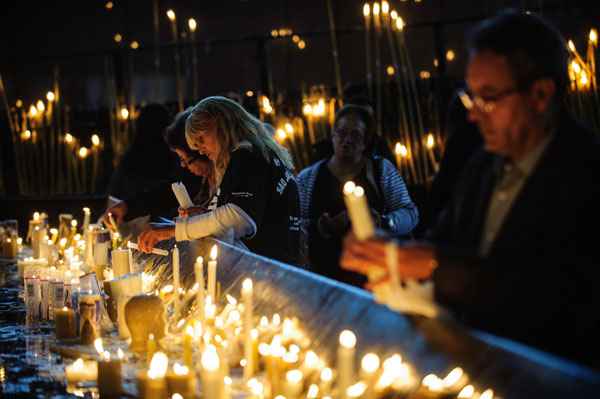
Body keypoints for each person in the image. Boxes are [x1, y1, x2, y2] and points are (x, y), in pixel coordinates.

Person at [341, 10, 600, 368]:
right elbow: (445, 242)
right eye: (470, 98)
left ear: (541, 94)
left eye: (489, 98)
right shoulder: (482, 166)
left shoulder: (585, 171)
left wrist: (427, 264)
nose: (474, 115)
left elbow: (548, 292)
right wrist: (390, 256)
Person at [137, 96, 301, 265]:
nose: (200, 150)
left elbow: (238, 217)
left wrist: (173, 230)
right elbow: (240, 216)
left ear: (222, 125)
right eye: (196, 145)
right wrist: (205, 216)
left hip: (269, 269)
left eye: (201, 138)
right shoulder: (251, 155)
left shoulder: (247, 155)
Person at [298, 104, 418, 286]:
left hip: (376, 278)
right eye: (341, 133)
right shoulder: (308, 178)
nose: (347, 140)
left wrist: (383, 222)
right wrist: (321, 227)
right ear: (332, 135)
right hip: (323, 278)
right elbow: (294, 226)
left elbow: (410, 214)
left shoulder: (381, 171)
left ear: (366, 141)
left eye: (355, 135)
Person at [103, 107, 212, 225]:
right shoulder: (193, 175)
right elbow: (167, 193)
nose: (183, 165)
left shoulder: (224, 178)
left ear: (203, 152)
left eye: (187, 160)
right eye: (181, 159)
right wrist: (127, 207)